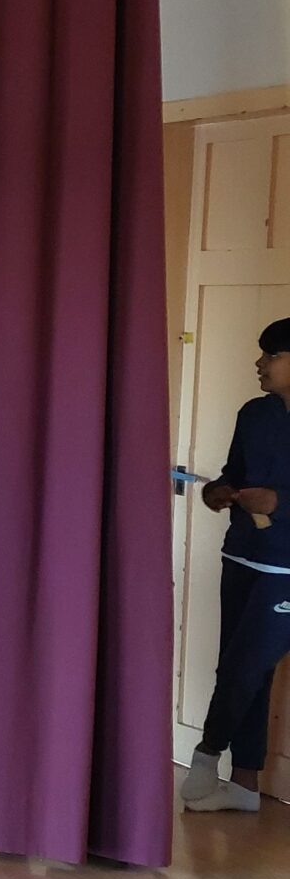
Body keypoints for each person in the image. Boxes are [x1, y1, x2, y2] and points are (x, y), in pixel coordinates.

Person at [181, 317, 290, 814]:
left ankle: (206, 753)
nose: (259, 363)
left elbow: (274, 498)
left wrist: (280, 503)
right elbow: (233, 475)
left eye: (271, 355)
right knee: (244, 669)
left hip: (284, 571)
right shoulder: (253, 413)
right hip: (240, 556)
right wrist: (216, 492)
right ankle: (245, 786)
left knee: (244, 668)